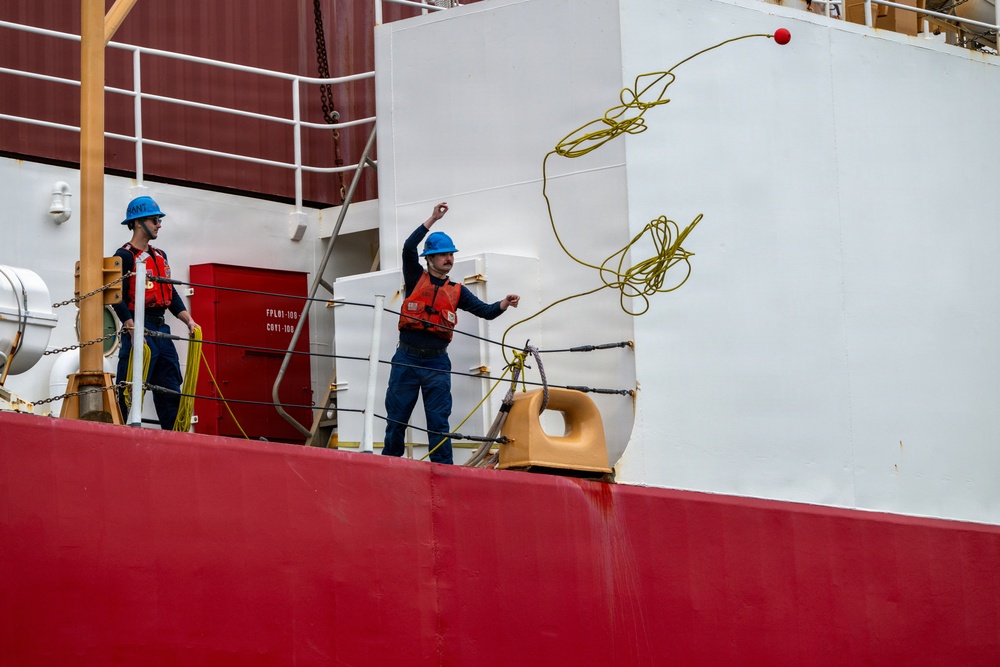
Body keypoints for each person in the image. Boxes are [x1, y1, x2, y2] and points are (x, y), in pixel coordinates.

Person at [383, 202, 520, 464]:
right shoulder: (414, 277)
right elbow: (408, 248)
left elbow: (486, 311)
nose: (449, 258)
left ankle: (444, 471)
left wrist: (504, 303)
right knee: (396, 418)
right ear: (430, 258)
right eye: (444, 254)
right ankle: (389, 464)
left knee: (438, 423)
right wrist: (432, 219)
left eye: (451, 254)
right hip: (406, 360)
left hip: (436, 363)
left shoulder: (457, 291)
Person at [112, 195, 198, 429]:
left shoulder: (160, 256)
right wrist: (131, 327)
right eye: (155, 220)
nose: (159, 224)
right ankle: (124, 433)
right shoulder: (124, 257)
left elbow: (170, 294)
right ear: (138, 222)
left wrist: (189, 321)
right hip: (139, 328)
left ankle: (173, 439)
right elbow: (116, 295)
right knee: (129, 388)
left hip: (162, 331)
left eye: (159, 220)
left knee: (170, 388)